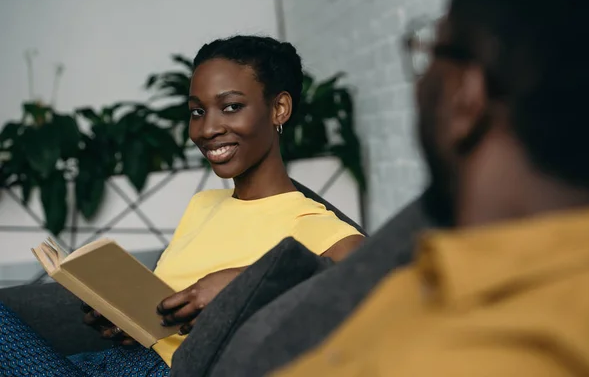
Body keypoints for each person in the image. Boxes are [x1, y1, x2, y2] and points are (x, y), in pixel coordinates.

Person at [272, 0, 589, 375]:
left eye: (431, 53)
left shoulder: (501, 357)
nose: (422, 80)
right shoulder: (442, 269)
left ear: (466, 95)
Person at [0, 36, 364, 377]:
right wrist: (122, 318)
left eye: (231, 107)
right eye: (197, 112)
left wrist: (246, 283)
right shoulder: (204, 204)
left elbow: (373, 279)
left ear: (279, 108)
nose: (207, 129)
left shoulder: (314, 223)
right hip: (107, 365)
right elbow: (165, 317)